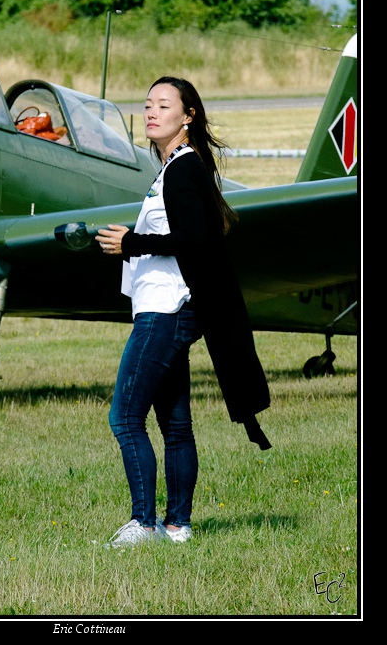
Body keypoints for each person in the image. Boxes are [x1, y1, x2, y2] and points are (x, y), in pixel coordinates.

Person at [96, 76, 271, 549]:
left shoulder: (182, 168)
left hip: (166, 310)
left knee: (124, 418)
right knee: (175, 426)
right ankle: (178, 527)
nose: (151, 112)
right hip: (166, 308)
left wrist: (131, 243)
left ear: (187, 116)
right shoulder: (176, 168)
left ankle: (143, 523)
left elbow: (194, 240)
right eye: (147, 104)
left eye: (163, 105)